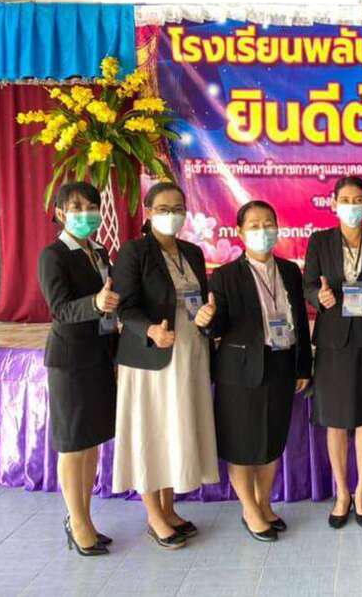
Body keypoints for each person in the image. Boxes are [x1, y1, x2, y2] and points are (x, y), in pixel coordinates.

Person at [112, 182, 219, 550]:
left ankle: (169, 509)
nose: (171, 214)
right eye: (163, 208)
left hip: (189, 353)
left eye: (177, 208)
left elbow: (198, 300)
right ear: (148, 212)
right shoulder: (135, 251)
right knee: (152, 432)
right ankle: (153, 515)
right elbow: (124, 307)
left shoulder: (192, 251)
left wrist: (208, 316)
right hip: (151, 358)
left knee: (174, 429)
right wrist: (150, 331)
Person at [209, 201, 312, 543]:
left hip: (282, 363)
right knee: (241, 443)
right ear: (240, 232)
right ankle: (249, 510)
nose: (263, 230)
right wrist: (207, 321)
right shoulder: (225, 275)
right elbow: (218, 325)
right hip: (240, 370)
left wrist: (303, 365)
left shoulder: (290, 270)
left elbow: (300, 321)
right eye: (254, 225)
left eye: (268, 223)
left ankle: (264, 504)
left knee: (271, 440)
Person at [303, 177, 362, 529]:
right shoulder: (319, 241)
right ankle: (342, 493)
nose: (352, 206)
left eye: (359, 200)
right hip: (332, 344)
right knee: (336, 422)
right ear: (333, 204)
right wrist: (318, 297)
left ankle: (361, 493)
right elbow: (308, 284)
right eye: (345, 199)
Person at [37, 182, 118, 557]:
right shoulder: (53, 255)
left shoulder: (99, 251)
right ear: (60, 213)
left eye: (91, 206)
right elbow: (60, 309)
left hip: (99, 356)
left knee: (91, 442)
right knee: (73, 444)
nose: (86, 213)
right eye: (76, 207)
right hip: (70, 361)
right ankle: (77, 521)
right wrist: (96, 303)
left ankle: (86, 517)